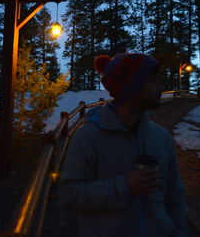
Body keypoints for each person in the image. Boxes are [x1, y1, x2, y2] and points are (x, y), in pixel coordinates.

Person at [59, 53, 187, 237]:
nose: (161, 88)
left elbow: (175, 196)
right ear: (132, 88)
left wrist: (179, 232)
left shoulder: (162, 137)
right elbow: (68, 194)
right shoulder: (88, 137)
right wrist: (125, 187)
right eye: (152, 81)